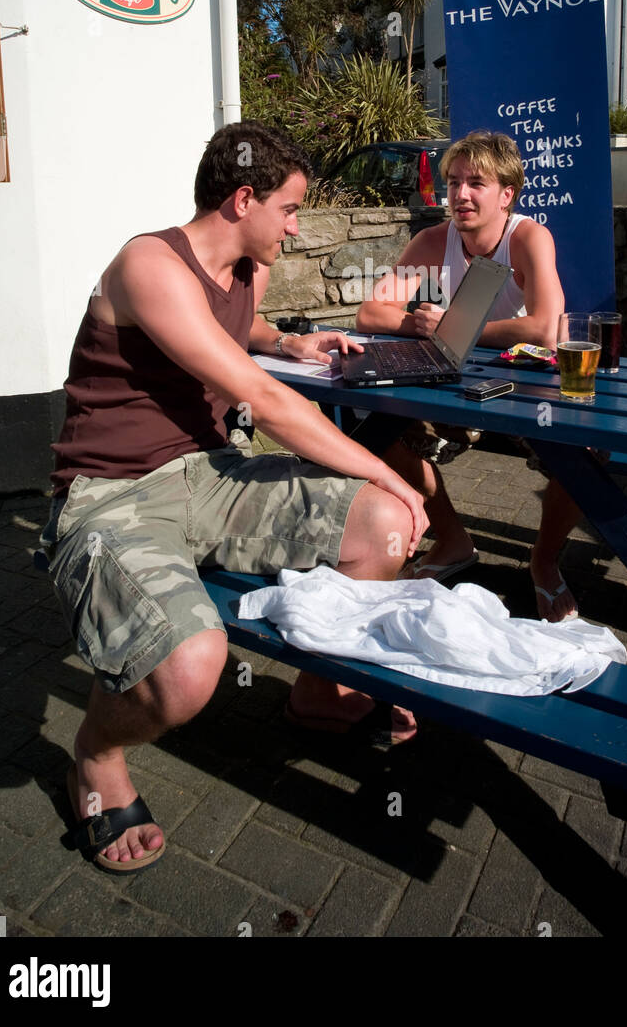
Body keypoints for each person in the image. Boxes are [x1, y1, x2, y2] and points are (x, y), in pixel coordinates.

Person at [40, 122, 428, 873]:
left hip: (212, 474)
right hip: (115, 495)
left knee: (382, 528)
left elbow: (237, 331)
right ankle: (95, 752)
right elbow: (266, 404)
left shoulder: (243, 271)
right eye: (287, 209)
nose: (295, 225)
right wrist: (389, 472)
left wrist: (285, 342)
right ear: (243, 198)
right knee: (190, 669)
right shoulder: (147, 262)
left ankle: (319, 691)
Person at [355, 129, 586, 623]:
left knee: (584, 448)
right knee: (377, 421)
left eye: (476, 183)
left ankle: (543, 561)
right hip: (461, 388)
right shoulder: (433, 240)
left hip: (530, 392)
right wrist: (419, 325)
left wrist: (456, 328)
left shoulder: (528, 237)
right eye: (454, 181)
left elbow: (545, 328)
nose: (460, 194)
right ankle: (454, 542)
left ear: (507, 194)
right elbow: (370, 314)